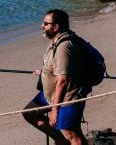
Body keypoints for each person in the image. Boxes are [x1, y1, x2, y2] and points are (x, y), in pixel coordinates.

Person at [23, 9, 89, 145]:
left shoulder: (64, 46)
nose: (42, 26)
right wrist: (44, 72)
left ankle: (64, 140)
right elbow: (58, 66)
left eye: (45, 23)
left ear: (56, 26)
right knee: (29, 112)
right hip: (51, 94)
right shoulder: (56, 41)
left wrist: (55, 110)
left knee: (72, 134)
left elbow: (64, 80)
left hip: (67, 98)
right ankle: (60, 140)